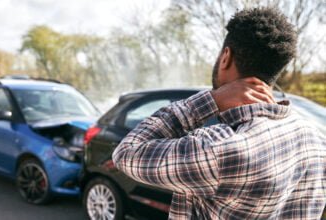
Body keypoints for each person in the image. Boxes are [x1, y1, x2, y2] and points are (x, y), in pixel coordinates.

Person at [112, 7, 326, 219]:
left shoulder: (219, 149)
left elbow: (126, 153)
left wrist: (209, 100)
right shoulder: (315, 138)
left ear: (226, 57)